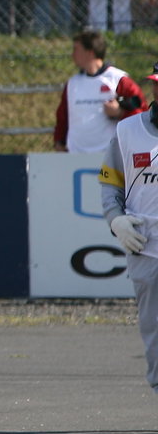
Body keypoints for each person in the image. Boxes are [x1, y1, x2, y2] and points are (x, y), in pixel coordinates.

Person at [96, 65, 158, 402]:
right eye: (156, 86)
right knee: (155, 332)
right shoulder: (127, 131)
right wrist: (115, 220)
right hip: (145, 248)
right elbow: (109, 183)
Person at [54, 31, 145, 153]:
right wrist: (59, 142)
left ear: (90, 52)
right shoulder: (72, 83)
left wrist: (120, 113)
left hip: (110, 158)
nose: (72, 55)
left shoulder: (118, 79)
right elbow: (62, 116)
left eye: (76, 50)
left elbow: (142, 112)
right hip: (75, 158)